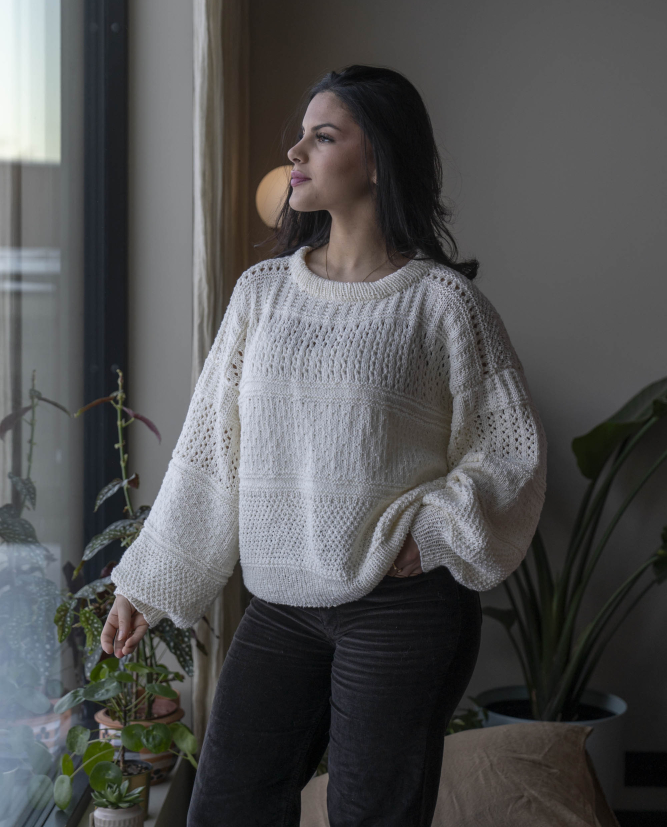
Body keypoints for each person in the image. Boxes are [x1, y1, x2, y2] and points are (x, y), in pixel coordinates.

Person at [102, 64, 548, 827]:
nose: (296, 152)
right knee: (226, 808)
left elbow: (510, 454)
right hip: (281, 604)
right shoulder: (261, 293)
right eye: (300, 136)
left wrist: (431, 533)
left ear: (377, 159)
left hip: (400, 608)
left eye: (323, 136)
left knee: (370, 814)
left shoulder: (443, 305)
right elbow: (211, 451)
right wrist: (145, 583)